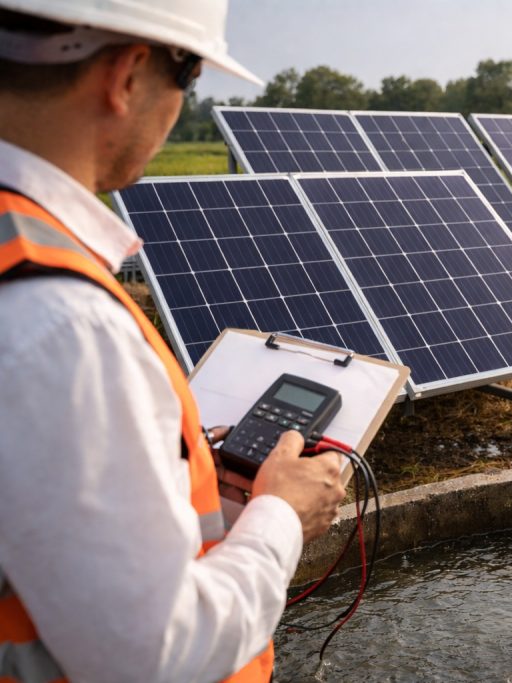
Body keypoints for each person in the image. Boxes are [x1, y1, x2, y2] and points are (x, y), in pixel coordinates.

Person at [0, 2, 349, 681]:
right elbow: (154, 653)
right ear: (128, 73)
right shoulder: (65, 324)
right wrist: (281, 513)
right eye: (189, 73)